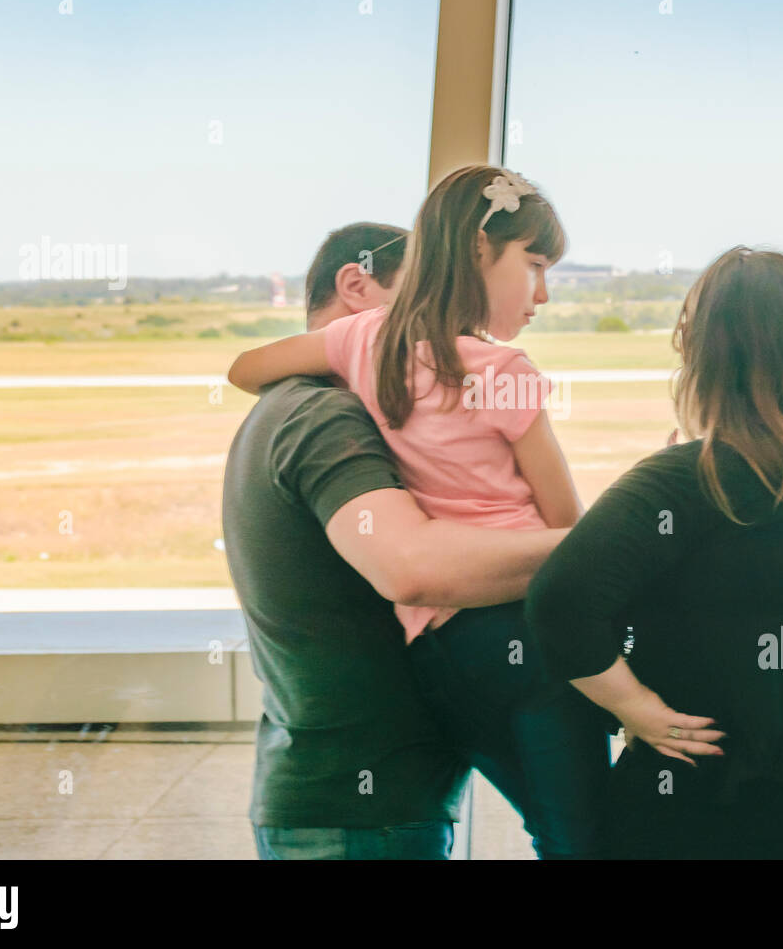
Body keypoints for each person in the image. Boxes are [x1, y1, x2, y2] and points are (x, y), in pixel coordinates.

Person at [230, 167, 702, 859]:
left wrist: (370, 361)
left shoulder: (362, 345)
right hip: (523, 636)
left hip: (444, 652)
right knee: (592, 838)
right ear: (480, 250)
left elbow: (245, 367)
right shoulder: (502, 370)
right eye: (535, 266)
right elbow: (570, 531)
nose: (541, 293)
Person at [525, 246, 783, 860]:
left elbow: (560, 601)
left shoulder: (685, 481)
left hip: (713, 804)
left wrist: (639, 709)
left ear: (697, 349)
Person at [223, 221, 568, 860]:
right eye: (427, 289)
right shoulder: (325, 414)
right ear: (356, 285)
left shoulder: (298, 403)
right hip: (361, 816)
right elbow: (410, 569)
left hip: (342, 799)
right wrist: (603, 549)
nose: (446, 314)